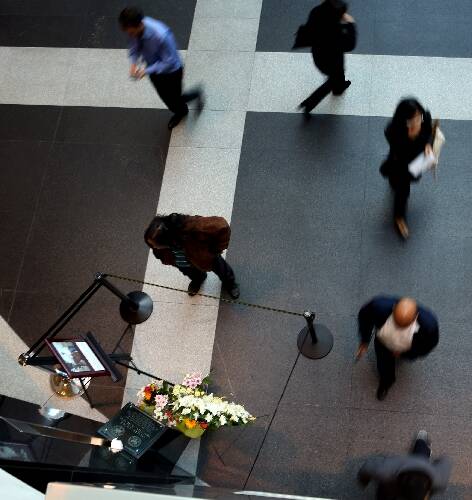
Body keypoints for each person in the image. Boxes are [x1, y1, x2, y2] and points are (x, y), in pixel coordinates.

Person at [119, 7, 203, 129]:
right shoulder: (134, 29)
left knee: (174, 98)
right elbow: (134, 47)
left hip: (171, 72)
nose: (130, 35)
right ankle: (180, 109)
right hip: (154, 70)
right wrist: (133, 63)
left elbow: (169, 61)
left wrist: (146, 70)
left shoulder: (161, 35)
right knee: (167, 98)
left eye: (131, 33)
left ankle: (192, 99)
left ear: (140, 24)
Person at [356, 296, 439, 401]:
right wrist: (365, 340)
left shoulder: (429, 326)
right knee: (383, 364)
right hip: (383, 342)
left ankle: (388, 378)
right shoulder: (378, 306)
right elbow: (365, 319)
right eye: (396, 324)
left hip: (406, 347)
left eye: (403, 327)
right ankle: (386, 382)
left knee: (389, 361)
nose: (398, 330)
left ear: (415, 317)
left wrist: (406, 354)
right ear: (394, 308)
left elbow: (426, 347)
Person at [144, 213, 240, 298]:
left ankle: (230, 283)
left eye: (155, 245)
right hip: (183, 263)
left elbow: (221, 226)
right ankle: (199, 279)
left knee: (222, 269)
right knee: (192, 273)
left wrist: (217, 249)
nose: (154, 247)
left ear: (165, 240)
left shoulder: (191, 227)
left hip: (204, 257)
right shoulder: (158, 242)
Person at [380, 98, 433, 239]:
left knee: (400, 185)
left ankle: (394, 184)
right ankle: (399, 217)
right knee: (402, 190)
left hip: (416, 161)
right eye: (411, 121)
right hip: (400, 163)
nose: (416, 123)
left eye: (418, 118)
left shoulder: (424, 117)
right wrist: (411, 138)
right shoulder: (392, 131)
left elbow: (428, 130)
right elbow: (401, 153)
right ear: (402, 121)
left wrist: (428, 145)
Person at [298, 0, 356, 116]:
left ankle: (338, 88)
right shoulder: (336, 32)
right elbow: (350, 45)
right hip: (333, 63)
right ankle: (309, 104)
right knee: (334, 79)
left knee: (337, 77)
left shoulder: (316, 13)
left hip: (318, 56)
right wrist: (351, 25)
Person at [358, 430, 452, 500]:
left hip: (420, 465)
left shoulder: (438, 480)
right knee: (420, 455)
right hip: (400, 465)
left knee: (420, 454)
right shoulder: (386, 471)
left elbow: (367, 468)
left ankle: (422, 440)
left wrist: (364, 481)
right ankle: (421, 440)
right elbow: (445, 461)